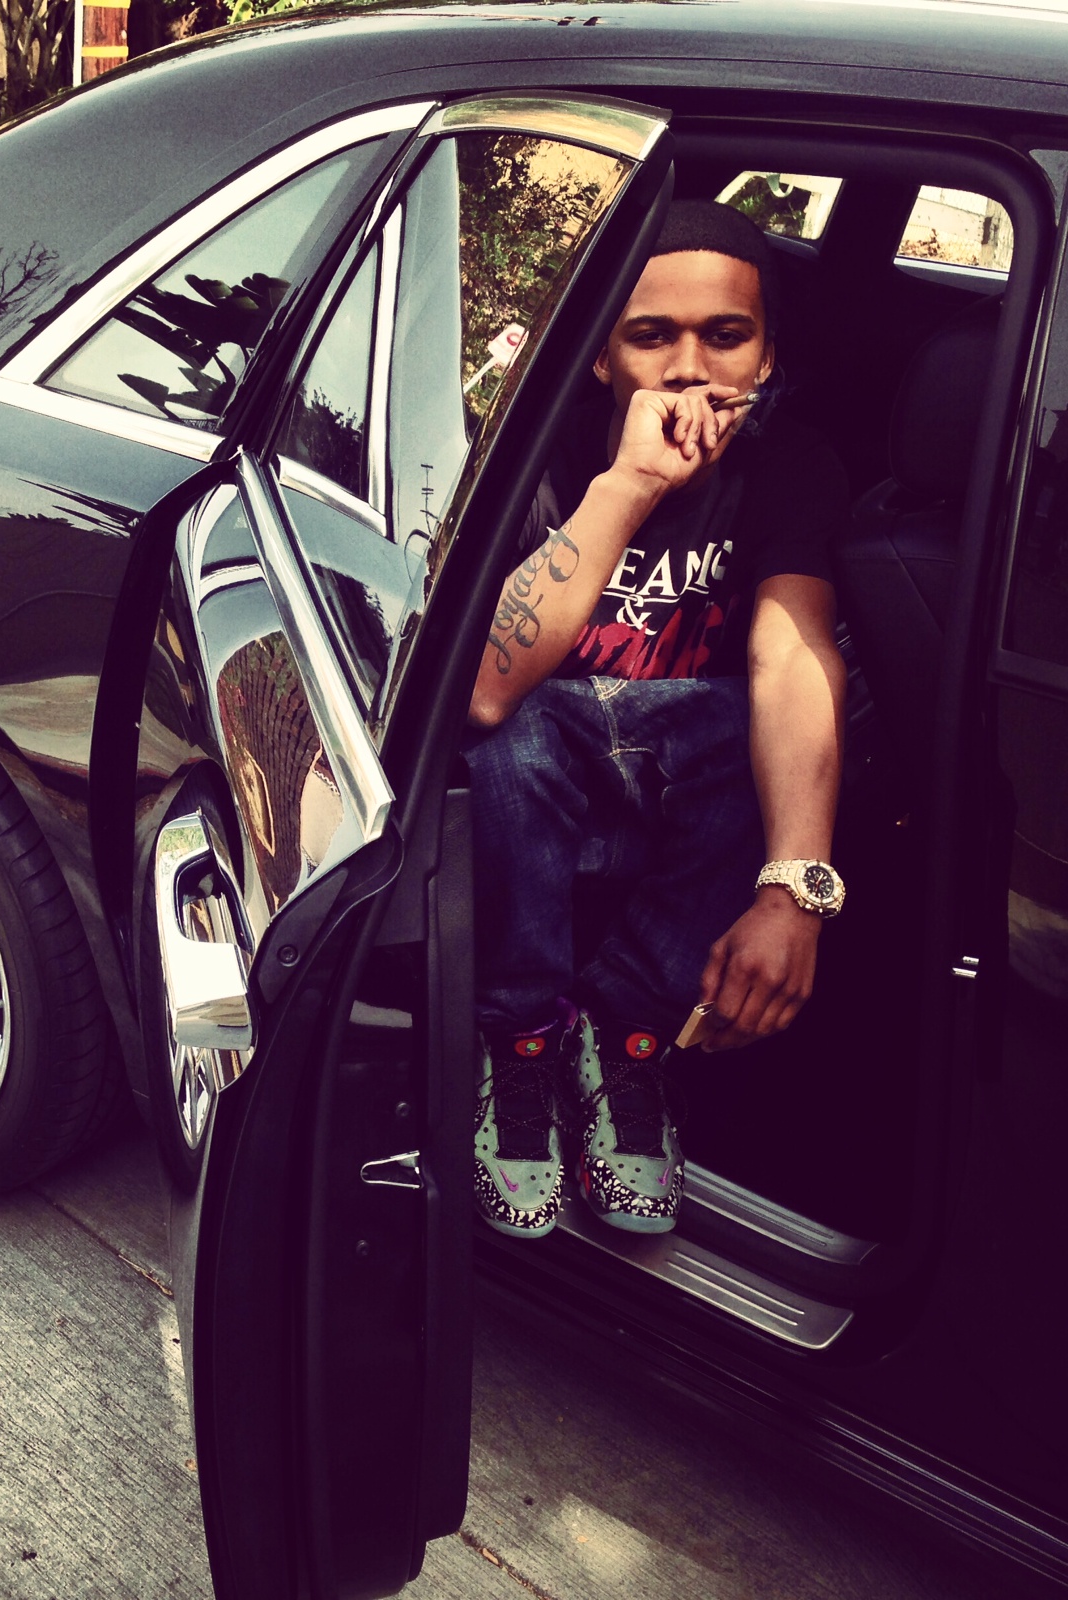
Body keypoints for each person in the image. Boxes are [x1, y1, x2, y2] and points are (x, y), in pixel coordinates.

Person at [466, 199, 849, 1239]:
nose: (688, 370)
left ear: (766, 357)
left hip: (681, 773)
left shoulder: (789, 466)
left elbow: (790, 656)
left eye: (725, 336)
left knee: (749, 720)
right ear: (602, 359)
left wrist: (797, 892)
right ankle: (517, 1039)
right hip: (536, 768)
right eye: (650, 337)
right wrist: (630, 483)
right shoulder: (535, 455)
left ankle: (621, 1031)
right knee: (511, 732)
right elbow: (487, 686)